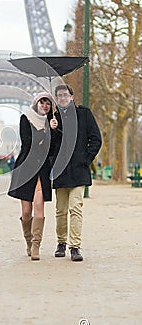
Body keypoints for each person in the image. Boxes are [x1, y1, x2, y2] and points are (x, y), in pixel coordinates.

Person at [50, 85, 102, 262]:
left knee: (76, 208)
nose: (63, 98)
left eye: (66, 95)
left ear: (72, 97)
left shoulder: (84, 114)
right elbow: (48, 149)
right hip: (61, 171)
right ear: (56, 99)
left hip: (78, 170)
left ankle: (75, 246)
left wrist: (85, 160)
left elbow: (96, 138)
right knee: (60, 211)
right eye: (59, 96)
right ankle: (61, 243)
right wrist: (52, 130)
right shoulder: (53, 118)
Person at [8, 92, 55, 261]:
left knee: (39, 207)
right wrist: (44, 132)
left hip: (42, 169)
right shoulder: (25, 118)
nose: (45, 106)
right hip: (26, 168)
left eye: (48, 103)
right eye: (42, 102)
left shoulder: (53, 123)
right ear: (36, 104)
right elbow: (28, 142)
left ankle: (36, 246)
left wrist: (54, 131)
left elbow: (52, 148)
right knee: (26, 211)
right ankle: (28, 241)